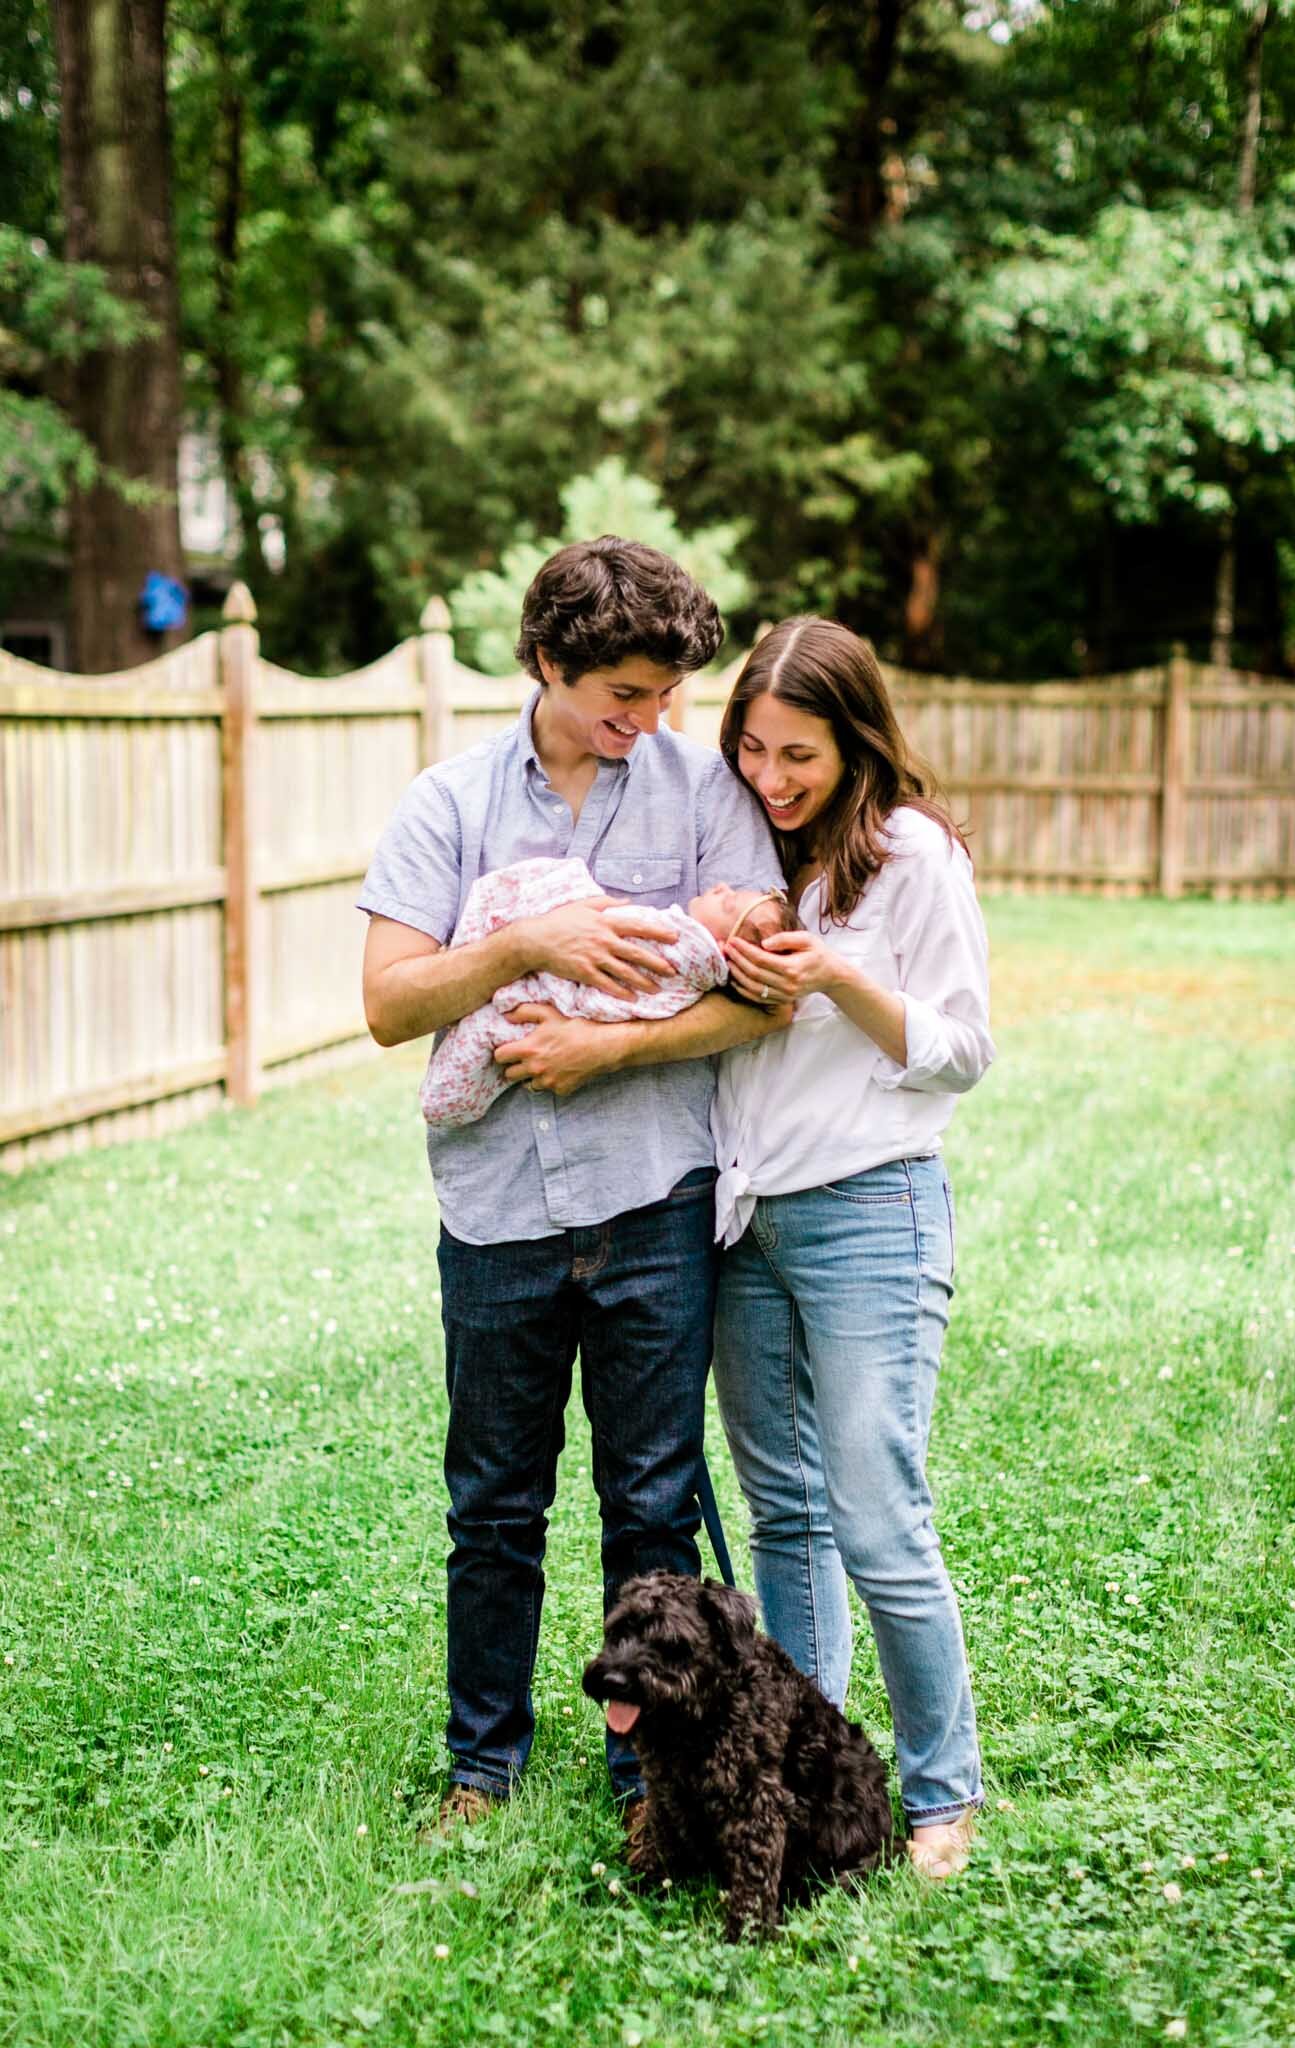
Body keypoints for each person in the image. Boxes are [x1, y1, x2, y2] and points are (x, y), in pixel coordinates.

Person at [358, 537, 785, 1836]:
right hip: (494, 1215)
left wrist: (610, 1042)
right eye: (625, 696)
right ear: (547, 661)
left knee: (649, 1500)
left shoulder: (701, 793)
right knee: (494, 1503)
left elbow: (757, 999)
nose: (649, 722)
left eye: (664, 697)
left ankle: (644, 1774)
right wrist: (525, 943)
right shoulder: (446, 805)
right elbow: (385, 1005)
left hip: (654, 1198)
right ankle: (481, 1768)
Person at [708, 616, 995, 1880]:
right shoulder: (738, 846)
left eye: (800, 755)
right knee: (787, 1514)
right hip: (744, 1215)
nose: (772, 776)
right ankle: (794, 1766)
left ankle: (941, 1793)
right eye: (754, 747)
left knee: (880, 1514)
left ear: (858, 741)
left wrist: (832, 973)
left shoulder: (914, 859)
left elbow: (962, 1047)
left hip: (872, 1209)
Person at [419, 859, 798, 1126]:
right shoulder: (696, 974)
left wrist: (604, 1043)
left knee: (557, 885)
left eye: (728, 902)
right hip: (547, 1004)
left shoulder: (680, 944)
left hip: (553, 1004)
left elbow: (599, 934)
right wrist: (527, 943)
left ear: (726, 948)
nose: (720, 887)